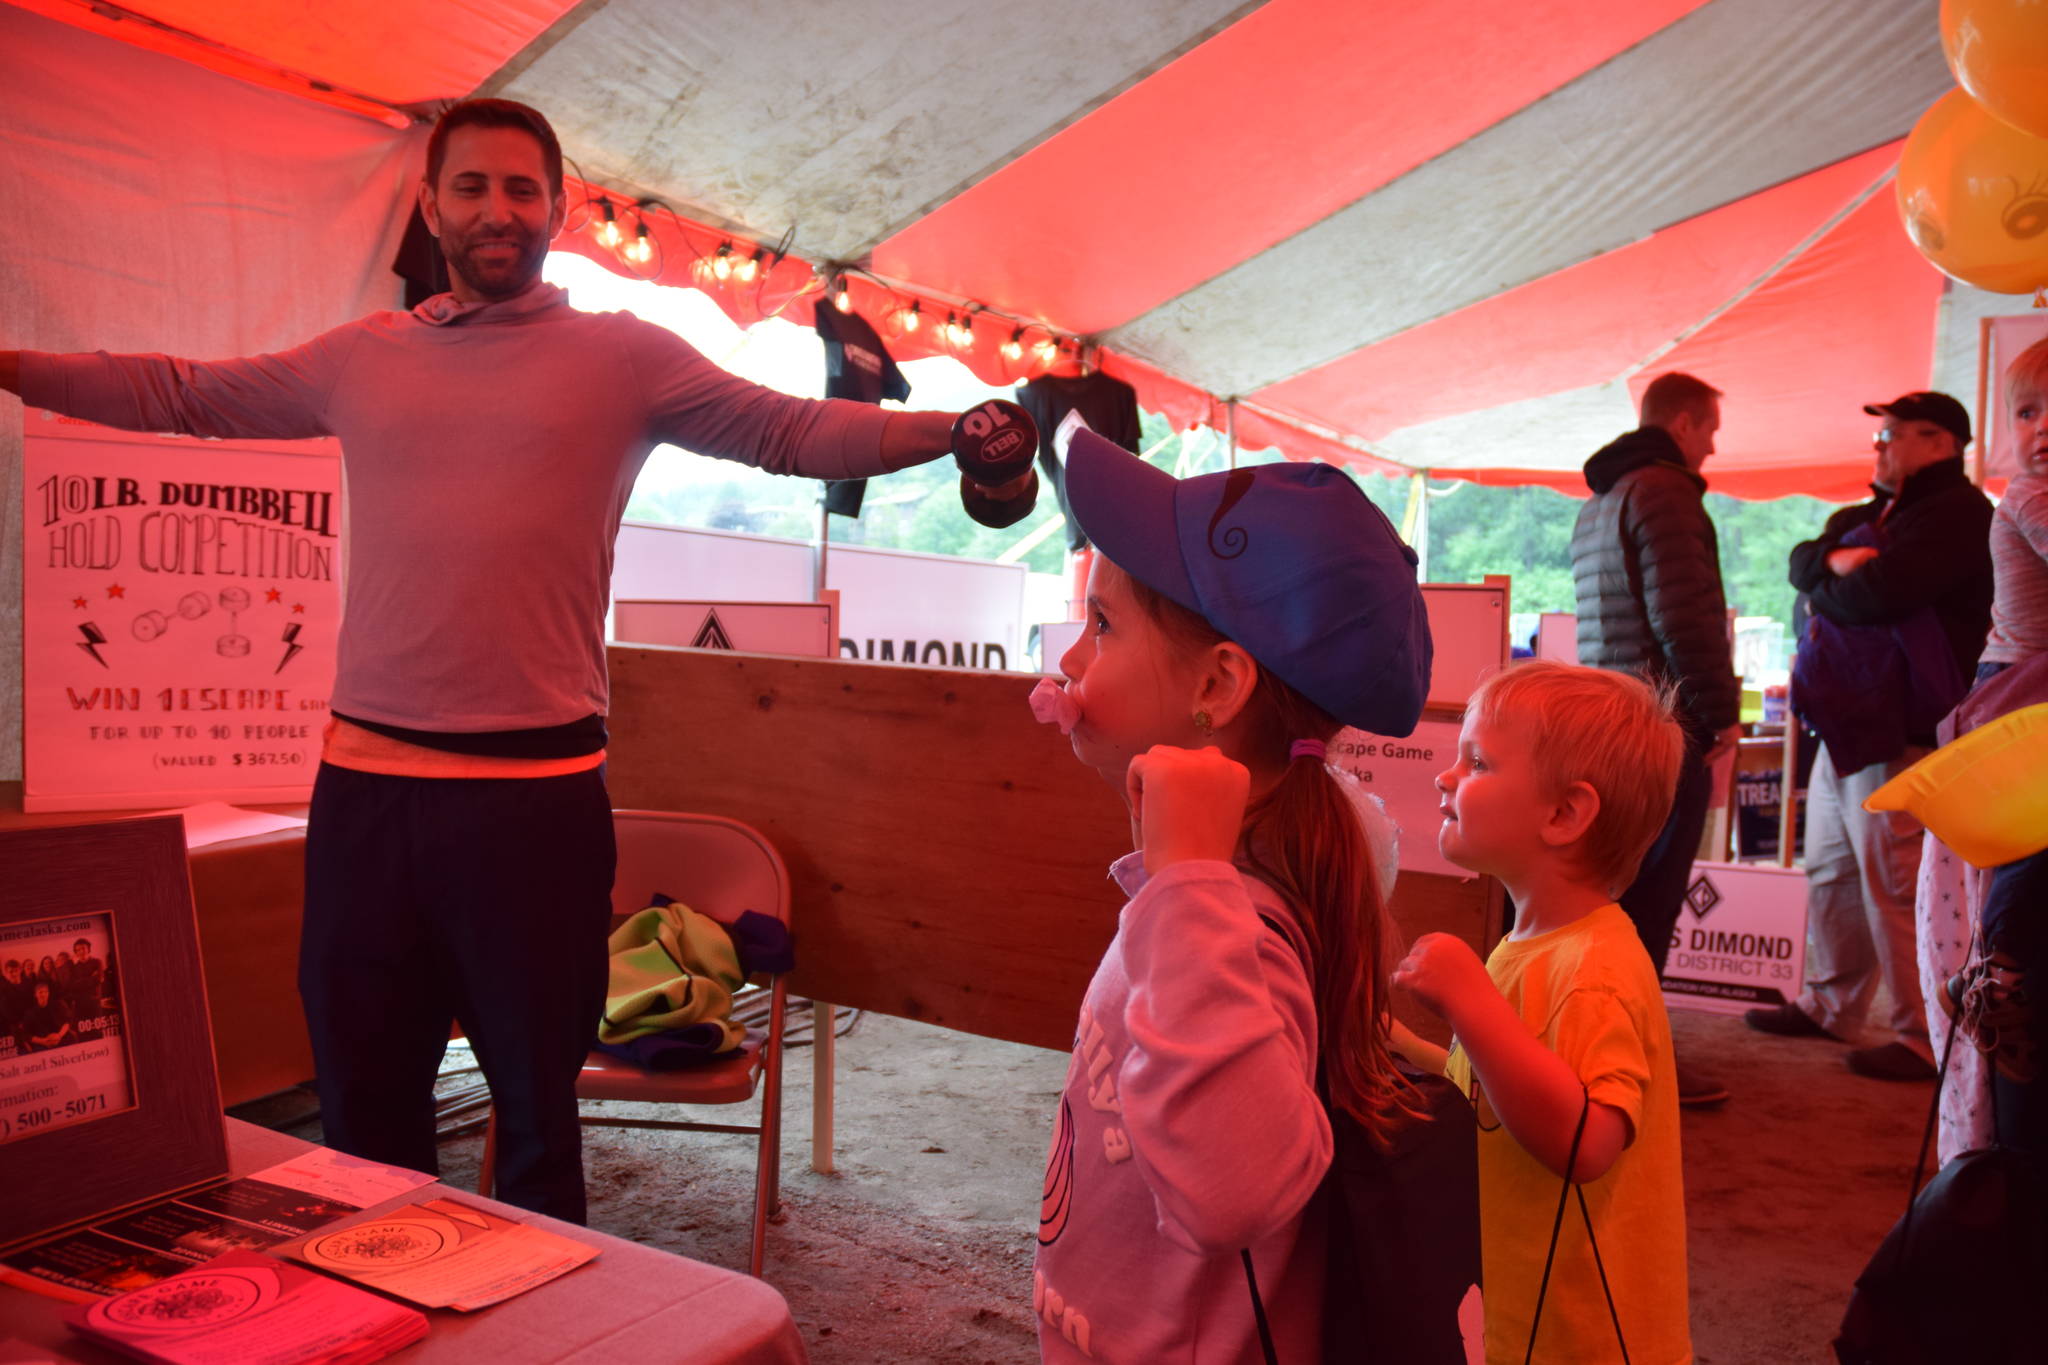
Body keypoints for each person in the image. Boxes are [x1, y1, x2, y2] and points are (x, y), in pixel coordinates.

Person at [0, 98, 973, 1221]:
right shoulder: (359, 359)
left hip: (536, 811)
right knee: (364, 1134)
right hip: (366, 803)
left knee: (535, 1134)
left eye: (521, 189)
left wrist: (949, 431)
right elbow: (180, 393)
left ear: (557, 210)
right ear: (431, 207)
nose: (497, 209)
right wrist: (14, 365)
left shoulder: (625, 358)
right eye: (471, 187)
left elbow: (788, 432)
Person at [1025, 429, 1431, 1363]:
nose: (1074, 662)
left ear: (1217, 683)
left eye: (1105, 625)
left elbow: (1238, 1187)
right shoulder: (1208, 896)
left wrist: (1189, 887)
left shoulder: (1228, 916)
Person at [1395, 660, 1690, 1364]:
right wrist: (1403, 1043)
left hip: (1584, 1332)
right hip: (1526, 1302)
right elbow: (1498, 1091)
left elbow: (1586, 1140)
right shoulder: (1533, 945)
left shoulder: (1594, 970)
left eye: (1477, 762)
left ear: (1564, 814)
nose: (1446, 776)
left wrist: (1469, 998)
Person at [1748, 391, 1993, 1082]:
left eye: (1892, 435)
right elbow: (1802, 560)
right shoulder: (1873, 514)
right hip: (1848, 719)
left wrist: (1841, 574)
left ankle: (1922, 1034)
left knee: (1893, 882)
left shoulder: (1959, 515)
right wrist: (1834, 564)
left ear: (1940, 442)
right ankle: (1833, 1003)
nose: (1879, 447)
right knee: (1828, 867)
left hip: (1903, 725)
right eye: (1880, 435)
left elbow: (1881, 592)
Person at [1570, 370, 1740, 1108]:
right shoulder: (1667, 493)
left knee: (1608, 895)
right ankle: (1638, 1062)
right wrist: (1719, 711)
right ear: (1680, 422)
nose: (1711, 446)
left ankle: (1593, 1047)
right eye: (1708, 429)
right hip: (1664, 722)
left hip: (1608, 719)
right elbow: (1688, 616)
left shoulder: (1598, 502)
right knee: (1651, 904)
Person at [1928, 336, 2048, 1162]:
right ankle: (1997, 993)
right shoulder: (2032, 496)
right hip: (2020, 704)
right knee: (2014, 895)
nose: (2040, 428)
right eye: (2027, 411)